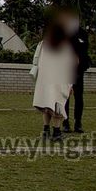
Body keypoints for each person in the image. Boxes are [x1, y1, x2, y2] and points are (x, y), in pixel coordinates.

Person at [32, 12, 77, 142]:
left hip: (44, 81)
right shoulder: (65, 46)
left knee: (46, 106)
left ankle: (45, 130)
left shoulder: (43, 44)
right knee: (58, 106)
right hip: (58, 82)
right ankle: (56, 132)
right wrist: (70, 84)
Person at [63, 14, 90, 133]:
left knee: (79, 96)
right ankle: (65, 122)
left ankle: (78, 123)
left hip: (79, 70)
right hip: (66, 70)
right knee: (65, 97)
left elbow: (84, 49)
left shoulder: (83, 34)